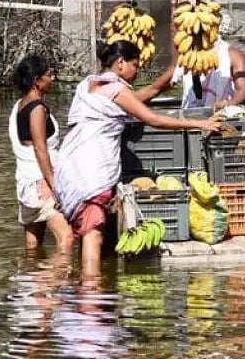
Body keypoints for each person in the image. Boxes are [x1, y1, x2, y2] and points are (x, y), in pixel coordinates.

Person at [54, 41, 223, 278]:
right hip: (90, 169)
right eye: (135, 65)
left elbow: (147, 93)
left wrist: (170, 72)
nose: (137, 71)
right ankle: (90, 295)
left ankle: (73, 282)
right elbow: (152, 119)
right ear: (120, 63)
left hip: (69, 166)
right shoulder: (116, 90)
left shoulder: (89, 84)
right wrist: (199, 123)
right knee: (93, 232)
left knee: (82, 229)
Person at [9, 55, 73, 254]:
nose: (52, 78)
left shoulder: (20, 105)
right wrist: (55, 186)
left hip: (26, 182)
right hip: (41, 182)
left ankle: (31, 283)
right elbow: (40, 149)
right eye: (49, 75)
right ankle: (53, 281)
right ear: (37, 81)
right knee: (67, 238)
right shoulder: (37, 108)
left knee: (32, 246)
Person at [167, 5, 245, 112]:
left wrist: (226, 104)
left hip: (221, 116)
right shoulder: (186, 54)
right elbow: (168, 81)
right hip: (190, 116)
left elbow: (244, 91)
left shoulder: (233, 55)